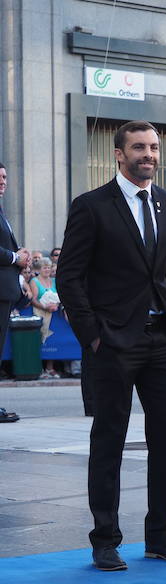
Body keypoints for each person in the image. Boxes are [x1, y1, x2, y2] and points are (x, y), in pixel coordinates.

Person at [56, 120, 166, 570]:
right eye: (139, 147)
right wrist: (92, 336)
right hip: (112, 342)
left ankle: (161, 536)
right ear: (119, 154)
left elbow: (164, 272)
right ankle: (105, 540)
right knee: (109, 440)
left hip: (163, 340)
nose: (149, 154)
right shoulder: (92, 206)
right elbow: (69, 277)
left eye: (153, 147)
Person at [0, 161, 30, 422]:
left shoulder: (2, 211)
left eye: (5, 176)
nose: (3, 181)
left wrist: (20, 257)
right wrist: (14, 257)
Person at [30, 258, 62, 378]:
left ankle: (50, 368)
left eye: (49, 267)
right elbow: (33, 299)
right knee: (39, 340)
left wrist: (56, 304)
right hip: (40, 312)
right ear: (39, 269)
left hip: (54, 314)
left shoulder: (54, 281)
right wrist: (44, 307)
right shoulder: (34, 281)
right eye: (44, 267)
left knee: (53, 341)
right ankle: (39, 368)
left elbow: (59, 295)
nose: (47, 269)